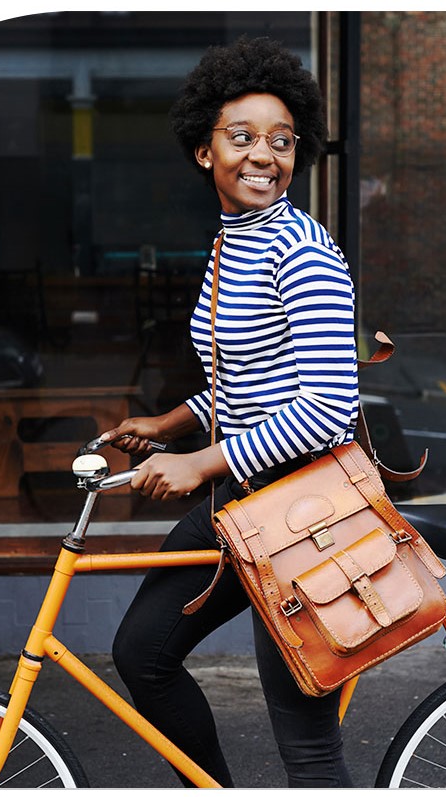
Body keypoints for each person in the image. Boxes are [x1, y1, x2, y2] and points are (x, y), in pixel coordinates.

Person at [103, 36, 358, 788]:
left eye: (281, 141)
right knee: (142, 654)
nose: (263, 156)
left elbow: (325, 409)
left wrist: (197, 462)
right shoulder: (233, 245)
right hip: (237, 497)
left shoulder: (300, 250)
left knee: (307, 744)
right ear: (202, 151)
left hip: (302, 513)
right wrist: (169, 424)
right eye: (241, 137)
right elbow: (251, 380)